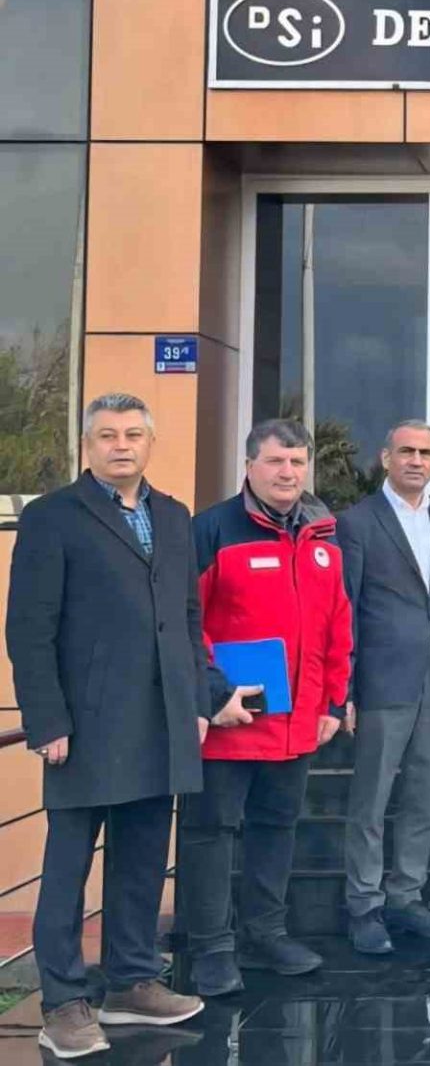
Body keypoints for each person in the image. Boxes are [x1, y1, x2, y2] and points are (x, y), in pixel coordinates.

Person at [7, 394, 206, 1058]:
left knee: (143, 859)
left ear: (149, 442)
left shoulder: (173, 516)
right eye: (107, 435)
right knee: (68, 867)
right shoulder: (52, 516)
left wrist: (196, 701)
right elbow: (28, 628)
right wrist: (46, 720)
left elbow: (185, 617)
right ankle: (63, 1001)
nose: (121, 445)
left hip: (160, 721)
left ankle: (131, 981)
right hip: (84, 726)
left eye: (133, 434)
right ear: (87, 444)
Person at [180, 419, 353, 997]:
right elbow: (185, 623)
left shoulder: (323, 536)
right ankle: (210, 948)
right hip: (228, 719)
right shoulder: (212, 530)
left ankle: (265, 935)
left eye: (297, 462)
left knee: (276, 829)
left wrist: (334, 700)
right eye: (276, 461)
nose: (287, 472)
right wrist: (214, 695)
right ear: (250, 466)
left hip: (296, 721)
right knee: (211, 832)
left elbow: (337, 626)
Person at [337, 421, 430, 955]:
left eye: (426, 453)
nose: (416, 460)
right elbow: (345, 607)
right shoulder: (357, 522)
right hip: (381, 677)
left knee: (423, 795)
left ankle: (406, 897)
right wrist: (344, 687)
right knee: (371, 799)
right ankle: (364, 905)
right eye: (406, 451)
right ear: (385, 458)